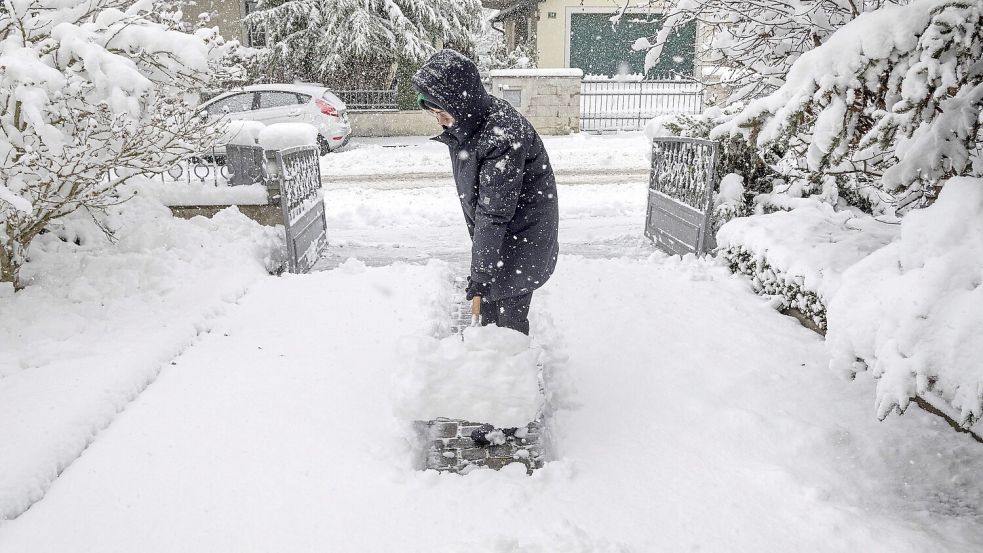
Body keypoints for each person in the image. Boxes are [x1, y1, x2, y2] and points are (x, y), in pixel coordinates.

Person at [412, 49, 559, 336]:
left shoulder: (501, 134)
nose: (439, 122)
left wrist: (480, 274)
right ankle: (488, 364)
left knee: (509, 326)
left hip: (523, 240)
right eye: (433, 113)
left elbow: (492, 212)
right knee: (490, 308)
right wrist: (483, 272)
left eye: (442, 113)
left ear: (460, 104)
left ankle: (512, 375)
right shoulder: (471, 124)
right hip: (503, 240)